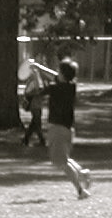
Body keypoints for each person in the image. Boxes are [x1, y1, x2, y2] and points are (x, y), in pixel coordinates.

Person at [29, 56, 92, 198]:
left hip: (57, 128)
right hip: (68, 129)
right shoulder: (71, 85)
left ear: (62, 74)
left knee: (60, 161)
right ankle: (83, 174)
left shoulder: (55, 88)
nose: (57, 72)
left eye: (59, 71)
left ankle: (81, 191)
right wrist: (39, 67)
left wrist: (35, 73)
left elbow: (39, 90)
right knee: (64, 159)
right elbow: (55, 76)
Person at [21, 63, 47, 148]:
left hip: (38, 104)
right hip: (34, 105)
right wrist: (38, 92)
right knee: (37, 122)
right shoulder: (32, 81)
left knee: (34, 123)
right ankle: (42, 140)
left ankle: (26, 139)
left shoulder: (38, 81)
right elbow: (28, 92)